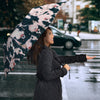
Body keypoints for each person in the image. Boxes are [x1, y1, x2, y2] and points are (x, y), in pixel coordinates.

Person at [27, 27, 96, 100]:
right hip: (48, 92)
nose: (53, 36)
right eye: (50, 34)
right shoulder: (46, 52)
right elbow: (47, 75)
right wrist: (64, 70)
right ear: (43, 37)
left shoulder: (47, 51)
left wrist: (83, 57)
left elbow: (62, 59)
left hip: (47, 90)